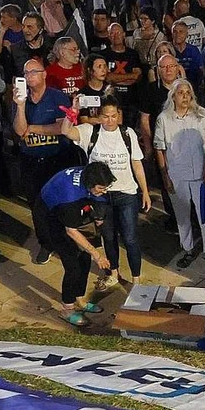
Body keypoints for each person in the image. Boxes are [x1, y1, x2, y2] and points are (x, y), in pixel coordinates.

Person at [55, 95, 150, 289]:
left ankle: (136, 279)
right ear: (99, 116)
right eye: (105, 116)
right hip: (100, 196)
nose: (110, 120)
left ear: (119, 115)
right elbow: (65, 131)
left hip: (126, 193)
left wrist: (145, 191)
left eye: (114, 116)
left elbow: (136, 163)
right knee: (108, 236)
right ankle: (113, 272)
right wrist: (73, 111)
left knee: (130, 238)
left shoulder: (128, 133)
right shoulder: (90, 132)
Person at [34, 163, 114, 327]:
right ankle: (67, 309)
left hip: (71, 209)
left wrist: (96, 214)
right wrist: (97, 254)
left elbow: (94, 200)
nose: (104, 191)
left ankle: (80, 299)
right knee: (73, 266)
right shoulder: (69, 197)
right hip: (51, 218)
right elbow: (71, 230)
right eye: (101, 188)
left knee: (84, 259)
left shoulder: (89, 176)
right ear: (91, 184)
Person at [154, 79, 205, 269]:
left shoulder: (201, 115)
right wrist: (165, 176)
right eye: (181, 92)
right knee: (182, 216)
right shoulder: (164, 118)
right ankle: (188, 249)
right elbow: (160, 149)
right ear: (173, 96)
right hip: (177, 174)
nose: (185, 96)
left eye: (188, 92)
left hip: (200, 173)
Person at [13, 58, 73, 265]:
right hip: (30, 159)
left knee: (60, 202)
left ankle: (64, 237)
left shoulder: (57, 97)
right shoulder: (21, 99)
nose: (29, 76)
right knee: (36, 205)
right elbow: (20, 130)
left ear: (44, 74)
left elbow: (61, 127)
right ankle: (46, 243)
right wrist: (20, 107)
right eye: (26, 73)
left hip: (56, 158)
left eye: (33, 72)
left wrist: (35, 128)